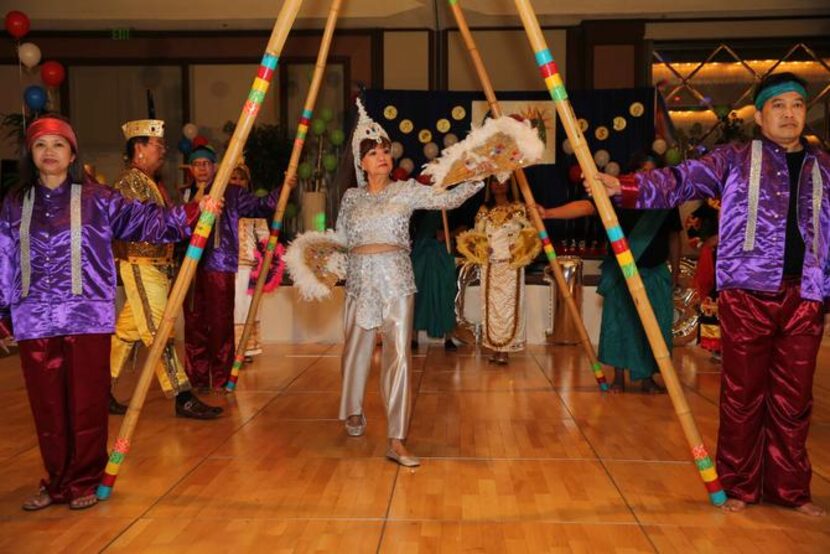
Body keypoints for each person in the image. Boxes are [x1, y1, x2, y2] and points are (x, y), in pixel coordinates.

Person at [588, 72, 829, 517]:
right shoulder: (733, 159)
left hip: (807, 296)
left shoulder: (824, 166)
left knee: (794, 400)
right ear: (760, 115)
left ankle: (791, 490)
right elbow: (678, 181)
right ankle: (738, 485)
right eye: (779, 106)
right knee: (742, 394)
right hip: (748, 293)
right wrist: (622, 187)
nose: (790, 113)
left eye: (797, 105)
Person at [0, 115, 201, 511]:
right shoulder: (14, 204)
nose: (50, 153)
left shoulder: (99, 198)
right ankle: (57, 482)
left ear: (72, 152)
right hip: (34, 320)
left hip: (86, 318)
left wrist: (195, 211)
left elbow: (148, 221)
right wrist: (4, 314)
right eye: (41, 145)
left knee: (87, 404)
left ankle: (84, 482)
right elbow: (3, 260)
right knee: (48, 409)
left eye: (58, 145)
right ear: (31, 154)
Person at [335, 99, 482, 466]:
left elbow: (448, 198)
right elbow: (339, 238)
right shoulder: (350, 198)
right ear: (361, 163)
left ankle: (397, 439)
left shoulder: (406, 190)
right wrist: (327, 265)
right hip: (359, 281)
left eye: (386, 150)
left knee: (399, 357)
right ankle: (353, 408)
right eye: (373, 153)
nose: (382, 156)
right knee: (355, 351)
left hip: (397, 280)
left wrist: (478, 177)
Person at [109, 118, 221, 419]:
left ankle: (98, 389)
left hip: (156, 267)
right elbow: (149, 223)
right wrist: (195, 210)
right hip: (141, 265)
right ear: (139, 148)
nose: (163, 152)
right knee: (160, 333)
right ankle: (182, 396)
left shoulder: (149, 183)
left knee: (127, 332)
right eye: (157, 145)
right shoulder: (130, 182)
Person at [542, 156, 680, 393]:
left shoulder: (666, 201)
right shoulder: (617, 196)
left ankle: (647, 379)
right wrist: (549, 213)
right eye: (640, 171)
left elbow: (675, 237)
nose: (644, 176)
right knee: (619, 326)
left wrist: (675, 271)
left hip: (654, 274)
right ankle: (618, 378)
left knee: (653, 327)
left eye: (651, 172)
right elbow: (586, 206)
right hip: (622, 274)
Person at [182, 145, 281, 391]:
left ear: (215, 167)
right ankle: (197, 379)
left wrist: (285, 187)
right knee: (194, 326)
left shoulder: (233, 193)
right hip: (190, 269)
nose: (202, 168)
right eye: (197, 164)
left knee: (220, 325)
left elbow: (261, 206)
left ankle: (220, 379)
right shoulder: (185, 196)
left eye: (206, 163)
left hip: (219, 266)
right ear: (191, 169)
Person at [457, 177, 539, 364]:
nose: (498, 184)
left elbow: (530, 233)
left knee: (509, 307)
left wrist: (518, 247)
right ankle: (495, 348)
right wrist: (482, 246)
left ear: (510, 184)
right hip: (490, 266)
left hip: (511, 266)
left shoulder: (519, 208)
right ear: (489, 186)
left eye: (503, 180)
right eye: (494, 181)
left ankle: (505, 350)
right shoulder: (484, 211)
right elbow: (477, 234)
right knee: (491, 308)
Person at [230, 161, 271, 362]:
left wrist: (266, 260)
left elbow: (263, 235)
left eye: (241, 178)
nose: (237, 182)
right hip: (228, 264)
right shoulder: (224, 204)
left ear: (247, 182)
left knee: (246, 307)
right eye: (233, 178)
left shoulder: (253, 206)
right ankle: (230, 349)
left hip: (249, 265)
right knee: (231, 307)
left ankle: (244, 349)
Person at [410, 209, 459, 352]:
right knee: (418, 293)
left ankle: (448, 337)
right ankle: (413, 337)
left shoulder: (449, 203)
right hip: (420, 252)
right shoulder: (418, 204)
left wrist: (448, 235)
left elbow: (465, 224)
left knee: (445, 293)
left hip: (443, 253)